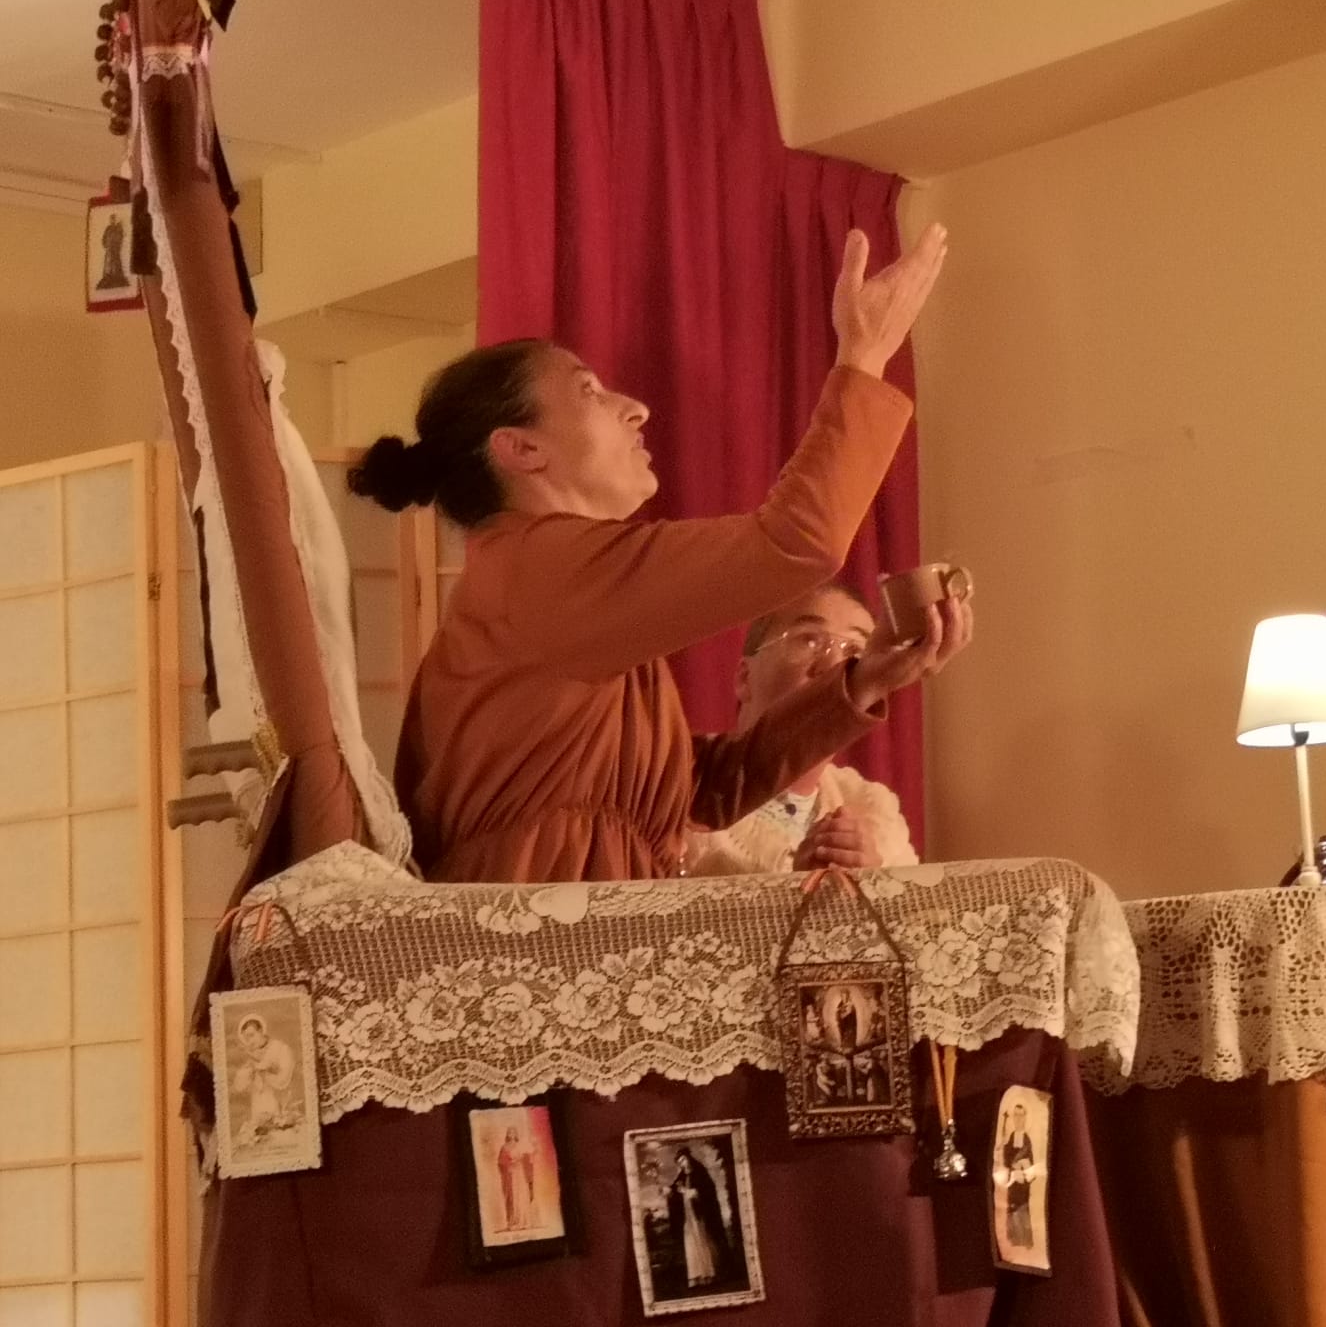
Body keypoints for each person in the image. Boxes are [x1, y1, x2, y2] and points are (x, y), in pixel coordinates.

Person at [348, 225, 952, 882]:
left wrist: (866, 680)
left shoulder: (556, 580)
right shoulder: (543, 569)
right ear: (521, 449)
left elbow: (703, 791)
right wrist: (864, 357)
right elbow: (797, 540)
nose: (635, 408)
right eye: (588, 391)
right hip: (544, 920)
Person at [684, 583, 927, 877]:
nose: (835, 666)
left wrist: (874, 882)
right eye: (810, 640)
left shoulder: (875, 812)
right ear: (744, 678)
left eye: (855, 651)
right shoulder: (683, 787)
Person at [230, 1014, 295, 1145]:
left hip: (281, 1108)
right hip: (258, 1110)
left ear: (261, 1031)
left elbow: (284, 1080)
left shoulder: (280, 1048)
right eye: (246, 1038)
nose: (249, 1041)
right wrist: (248, 1072)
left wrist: (263, 1071)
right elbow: (238, 1087)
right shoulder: (248, 1056)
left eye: (251, 1035)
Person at [668, 1149, 729, 1288]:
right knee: (691, 1245)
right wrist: (669, 1192)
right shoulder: (681, 1176)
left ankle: (708, 1274)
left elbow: (707, 1192)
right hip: (688, 1217)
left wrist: (688, 1192)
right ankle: (696, 1276)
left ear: (689, 1158)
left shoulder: (700, 1173)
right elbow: (674, 1193)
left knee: (703, 1243)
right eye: (679, 1162)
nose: (681, 1164)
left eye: (683, 1160)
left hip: (700, 1215)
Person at [1000, 1105, 1036, 1250]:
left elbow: (1031, 1160)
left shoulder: (1027, 1140)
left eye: (1021, 1115)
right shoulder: (1011, 1137)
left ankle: (1025, 1240)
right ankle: (1014, 1239)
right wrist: (1009, 1162)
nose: (1018, 1119)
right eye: (1016, 1115)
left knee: (1022, 1207)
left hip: (1022, 1181)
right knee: (1012, 1207)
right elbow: (1006, 1157)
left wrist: (1022, 1164)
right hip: (1012, 1180)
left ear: (1025, 1118)